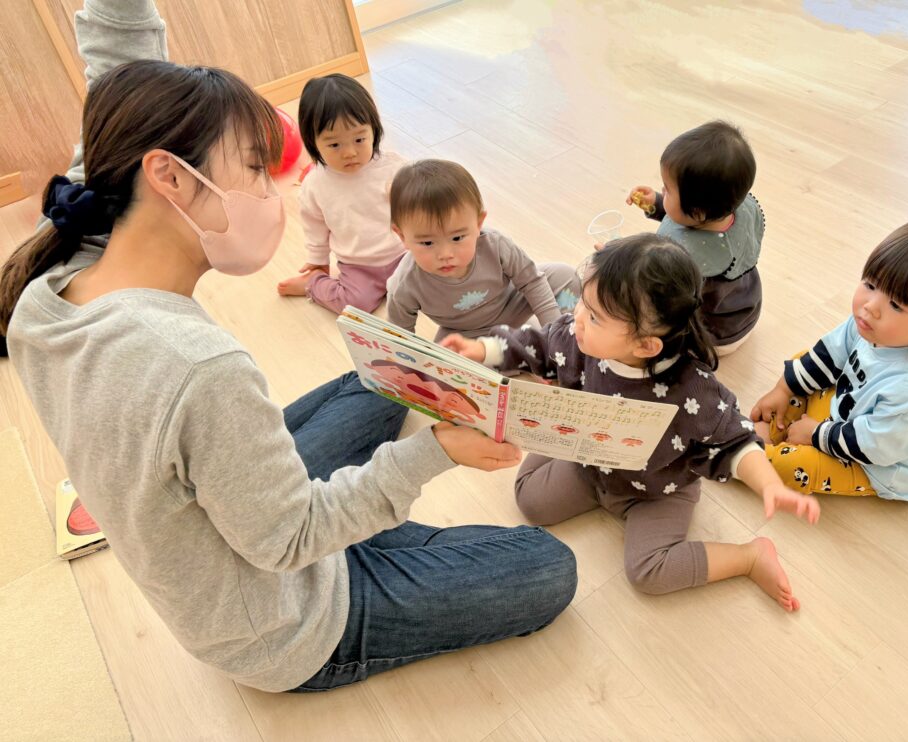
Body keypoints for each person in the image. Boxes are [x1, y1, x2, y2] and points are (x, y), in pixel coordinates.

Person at [0, 0, 575, 693]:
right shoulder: (196, 367)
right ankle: (369, 531)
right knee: (548, 566)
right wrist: (437, 452)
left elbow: (116, 71)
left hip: (235, 525)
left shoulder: (70, 249)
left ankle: (363, 515)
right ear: (170, 176)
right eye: (253, 167)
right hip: (284, 621)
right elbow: (290, 540)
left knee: (379, 379)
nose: (271, 188)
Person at [444, 235, 820, 611]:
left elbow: (734, 441)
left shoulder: (692, 392)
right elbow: (536, 344)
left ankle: (749, 557)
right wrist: (481, 350)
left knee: (648, 573)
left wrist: (769, 484)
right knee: (530, 501)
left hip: (658, 490)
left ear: (645, 346)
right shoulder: (577, 338)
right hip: (591, 463)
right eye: (583, 302)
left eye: (594, 317)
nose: (577, 318)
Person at [750, 216, 908, 502]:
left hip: (875, 463)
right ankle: (784, 425)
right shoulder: (873, 323)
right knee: (807, 364)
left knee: (792, 467)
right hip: (853, 414)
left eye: (895, 304)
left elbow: (873, 447)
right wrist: (783, 389)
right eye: (871, 284)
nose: (870, 306)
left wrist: (816, 435)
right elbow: (830, 353)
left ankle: (755, 452)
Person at [386, 159, 579, 340]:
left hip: (512, 304)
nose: (445, 254)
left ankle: (558, 338)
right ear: (402, 236)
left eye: (457, 238)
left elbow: (532, 282)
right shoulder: (404, 284)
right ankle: (516, 347)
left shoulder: (495, 244)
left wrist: (554, 335)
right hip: (465, 333)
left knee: (564, 276)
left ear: (479, 223)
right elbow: (400, 336)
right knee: (446, 359)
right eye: (427, 243)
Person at [626, 120, 764, 355]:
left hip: (715, 336)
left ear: (697, 212)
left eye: (667, 190)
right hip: (745, 313)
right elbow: (683, 218)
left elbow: (656, 288)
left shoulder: (690, 257)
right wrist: (657, 203)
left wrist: (619, 259)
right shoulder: (732, 208)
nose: (662, 190)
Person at [276, 74, 406, 313]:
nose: (349, 153)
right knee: (355, 305)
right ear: (313, 142)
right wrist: (318, 262)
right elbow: (314, 225)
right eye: (334, 144)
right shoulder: (316, 184)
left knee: (437, 282)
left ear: (374, 131)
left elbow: (422, 203)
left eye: (359, 139)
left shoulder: (392, 167)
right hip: (359, 266)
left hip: (404, 254)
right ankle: (313, 284)